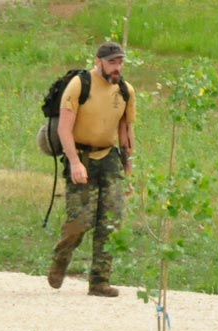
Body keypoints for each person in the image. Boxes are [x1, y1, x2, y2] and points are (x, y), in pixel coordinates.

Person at [47, 41, 136, 297]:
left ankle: (99, 281)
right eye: (112, 62)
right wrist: (74, 162)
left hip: (109, 159)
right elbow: (64, 128)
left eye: (120, 62)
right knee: (80, 222)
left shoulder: (126, 91)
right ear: (98, 61)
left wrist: (128, 166)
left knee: (111, 221)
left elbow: (126, 130)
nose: (117, 67)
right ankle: (60, 259)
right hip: (81, 154)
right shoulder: (80, 85)